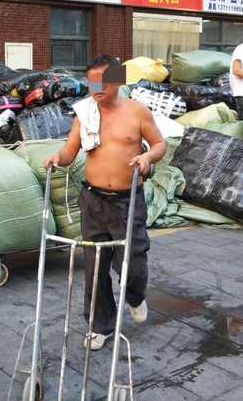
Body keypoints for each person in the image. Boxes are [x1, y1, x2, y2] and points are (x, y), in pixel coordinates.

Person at [43, 55, 165, 351]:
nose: (97, 88)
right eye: (92, 81)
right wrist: (57, 159)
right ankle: (100, 325)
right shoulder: (84, 113)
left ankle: (135, 295)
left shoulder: (137, 112)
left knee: (133, 260)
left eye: (104, 81)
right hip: (93, 200)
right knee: (95, 266)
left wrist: (147, 157)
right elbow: (70, 152)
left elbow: (160, 144)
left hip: (127, 201)